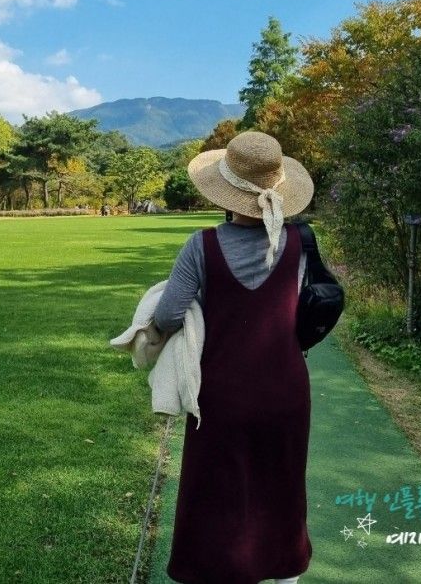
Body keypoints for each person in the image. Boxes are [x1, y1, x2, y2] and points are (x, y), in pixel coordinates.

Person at [154, 130, 315, 584]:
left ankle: (215, 569)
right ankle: (283, 572)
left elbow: (168, 315)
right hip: (285, 388)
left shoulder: (200, 246)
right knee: (281, 485)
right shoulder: (300, 243)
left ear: (225, 191)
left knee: (214, 491)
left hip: (219, 394)